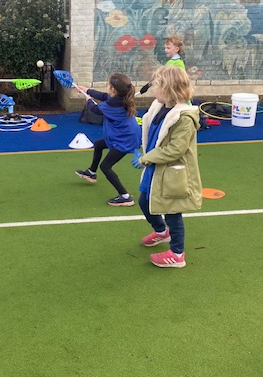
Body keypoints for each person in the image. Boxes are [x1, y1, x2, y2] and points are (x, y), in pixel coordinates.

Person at [134, 66, 202, 268]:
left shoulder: (184, 117)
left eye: (157, 85)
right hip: (156, 167)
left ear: (168, 89)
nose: (154, 88)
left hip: (172, 172)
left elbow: (175, 149)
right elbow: (153, 134)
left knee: (173, 212)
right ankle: (161, 232)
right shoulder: (159, 107)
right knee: (144, 201)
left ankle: (177, 254)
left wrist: (148, 157)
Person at [74, 73, 141, 206]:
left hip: (125, 139)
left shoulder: (111, 105)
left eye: (108, 84)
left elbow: (95, 110)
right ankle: (91, 172)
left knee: (105, 166)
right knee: (99, 145)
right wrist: (87, 90)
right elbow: (104, 97)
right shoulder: (121, 98)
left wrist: (87, 99)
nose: (107, 87)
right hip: (126, 134)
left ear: (113, 89)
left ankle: (125, 196)